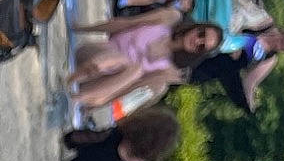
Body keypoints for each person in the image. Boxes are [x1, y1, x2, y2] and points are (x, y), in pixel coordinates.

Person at [69, 12, 223, 113]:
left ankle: (81, 98)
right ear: (197, 27)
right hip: (95, 55)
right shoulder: (170, 19)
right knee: (126, 63)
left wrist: (96, 106)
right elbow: (126, 23)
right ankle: (81, 95)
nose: (197, 40)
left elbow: (130, 91)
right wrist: (81, 29)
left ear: (198, 54)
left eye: (201, 46)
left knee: (143, 76)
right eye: (201, 33)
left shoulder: (169, 70)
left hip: (99, 83)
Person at [188, 28, 284, 113]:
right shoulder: (266, 25)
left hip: (228, 64)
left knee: (228, 77)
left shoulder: (270, 59)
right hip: (227, 40)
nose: (278, 44)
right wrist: (236, 42)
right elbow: (241, 22)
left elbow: (250, 81)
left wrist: (251, 105)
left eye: (282, 47)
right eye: (281, 40)